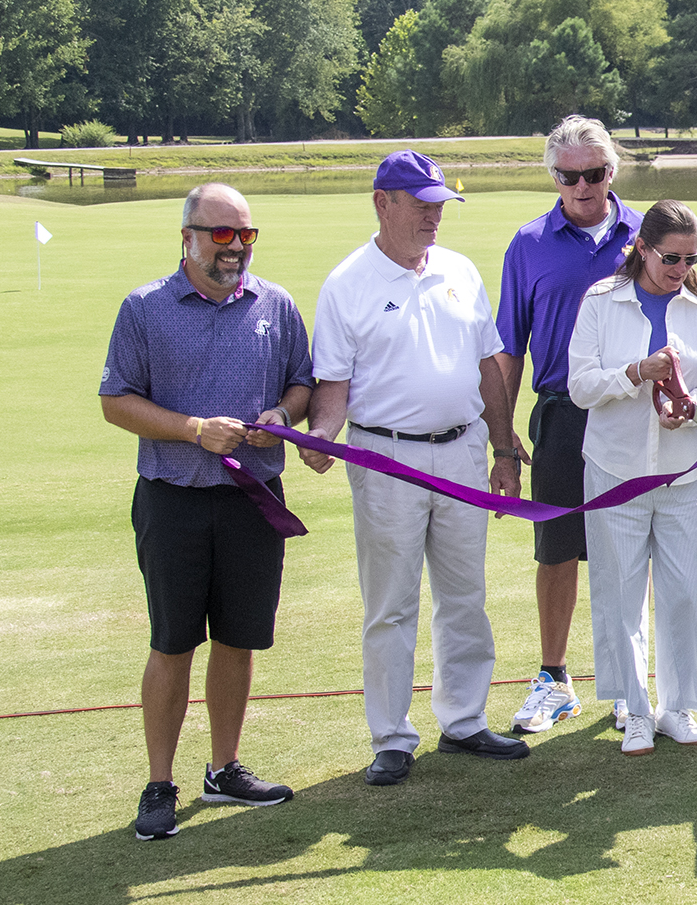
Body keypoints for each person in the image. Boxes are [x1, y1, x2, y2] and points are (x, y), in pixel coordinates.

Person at [301, 150, 527, 786]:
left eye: (439, 205)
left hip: (461, 450)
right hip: (384, 456)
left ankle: (463, 720)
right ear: (383, 202)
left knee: (465, 596)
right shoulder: (347, 284)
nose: (434, 215)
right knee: (391, 603)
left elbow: (489, 367)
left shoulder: (458, 270)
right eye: (421, 204)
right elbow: (333, 385)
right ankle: (392, 736)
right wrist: (323, 433)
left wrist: (504, 448)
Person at [101, 183, 312, 840]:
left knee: (239, 637)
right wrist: (194, 429)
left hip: (254, 502)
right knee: (172, 643)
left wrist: (282, 414)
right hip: (174, 500)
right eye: (222, 235)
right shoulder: (144, 309)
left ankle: (224, 771)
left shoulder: (275, 304)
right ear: (187, 236)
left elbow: (302, 382)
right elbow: (116, 400)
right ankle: (160, 782)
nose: (236, 248)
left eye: (246, 235)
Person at [568, 200, 697, 756]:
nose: (681, 268)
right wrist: (637, 372)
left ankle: (676, 708)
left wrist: (690, 408)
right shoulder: (600, 301)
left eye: (691, 258)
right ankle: (634, 710)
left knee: (684, 593)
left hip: (684, 473)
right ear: (642, 247)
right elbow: (581, 387)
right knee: (620, 593)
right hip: (615, 471)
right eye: (671, 257)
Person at [494, 115, 640, 736]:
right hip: (561, 414)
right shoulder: (528, 245)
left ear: (612, 170)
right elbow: (507, 350)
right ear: (553, 175)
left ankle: (628, 683)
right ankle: (554, 681)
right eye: (569, 175)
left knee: (630, 549)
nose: (583, 186)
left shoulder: (647, 234)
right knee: (557, 551)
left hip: (633, 412)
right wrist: (502, 441)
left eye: (595, 173)